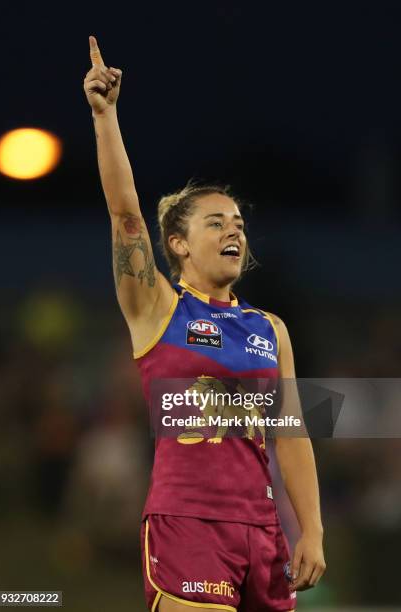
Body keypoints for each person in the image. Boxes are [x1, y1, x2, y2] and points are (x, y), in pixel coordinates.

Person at [83, 35, 326, 612]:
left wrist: (311, 529)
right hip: (187, 524)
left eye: (238, 222)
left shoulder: (271, 329)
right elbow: (125, 214)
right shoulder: (158, 309)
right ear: (178, 245)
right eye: (215, 223)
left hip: (262, 533)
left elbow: (292, 434)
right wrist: (105, 116)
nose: (233, 231)